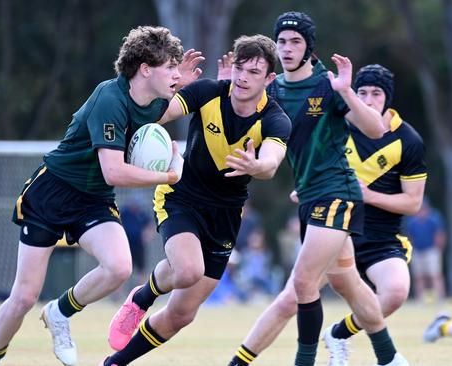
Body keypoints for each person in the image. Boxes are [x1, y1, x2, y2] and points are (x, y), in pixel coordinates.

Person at [0, 26, 204, 366]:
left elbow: (162, 114)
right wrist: (168, 176)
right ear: (145, 68)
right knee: (23, 298)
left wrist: (179, 83)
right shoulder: (109, 99)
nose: (175, 72)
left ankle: (59, 312)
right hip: (51, 194)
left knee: (119, 267)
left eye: (176, 67)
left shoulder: (154, 102)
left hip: (93, 198)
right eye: (169, 66)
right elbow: (114, 171)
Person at [221, 12, 409, 366]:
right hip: (309, 198)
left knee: (302, 285)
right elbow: (240, 133)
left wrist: (348, 93)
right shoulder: (273, 90)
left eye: (296, 41)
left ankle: (295, 361)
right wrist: (225, 92)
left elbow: (375, 130)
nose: (288, 48)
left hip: (338, 195)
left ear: (309, 47)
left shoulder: (328, 85)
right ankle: (390, 358)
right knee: (348, 284)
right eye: (283, 41)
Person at [101, 34, 291, 366]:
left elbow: (271, 163)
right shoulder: (207, 92)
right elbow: (155, 116)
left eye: (254, 72)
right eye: (240, 68)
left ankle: (115, 362)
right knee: (188, 270)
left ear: (270, 79)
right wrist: (171, 89)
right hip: (182, 195)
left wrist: (257, 164)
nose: (243, 77)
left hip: (226, 214)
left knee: (181, 315)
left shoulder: (275, 118)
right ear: (231, 67)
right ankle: (141, 299)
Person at [322, 63, 427, 365]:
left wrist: (369, 196)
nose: (368, 99)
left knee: (395, 292)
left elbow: (413, 203)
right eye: (362, 92)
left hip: (382, 238)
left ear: (388, 98)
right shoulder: (338, 127)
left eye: (376, 93)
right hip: (335, 230)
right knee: (295, 296)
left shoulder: (408, 141)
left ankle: (338, 334)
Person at [405, 199, 447, 302]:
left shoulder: (434, 218)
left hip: (432, 250)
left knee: (435, 275)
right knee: (419, 276)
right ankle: (419, 299)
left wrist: (438, 249)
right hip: (417, 251)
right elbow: (410, 236)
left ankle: (440, 298)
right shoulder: (412, 220)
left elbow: (440, 234)